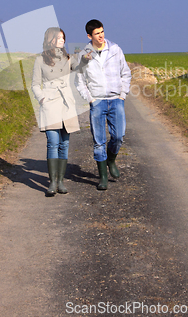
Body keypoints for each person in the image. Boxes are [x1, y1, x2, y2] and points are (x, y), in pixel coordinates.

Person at [75, 19, 131, 190]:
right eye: (97, 34)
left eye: (102, 32)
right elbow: (79, 80)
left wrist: (122, 95)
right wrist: (90, 99)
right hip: (97, 102)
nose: (101, 36)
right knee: (99, 141)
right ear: (89, 36)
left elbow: (125, 73)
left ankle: (111, 160)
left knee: (118, 136)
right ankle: (103, 178)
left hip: (116, 100)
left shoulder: (115, 49)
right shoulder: (84, 54)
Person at [32, 27, 83, 196]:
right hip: (50, 103)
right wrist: (42, 99)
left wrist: (85, 58)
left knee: (64, 143)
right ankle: (52, 182)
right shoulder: (40, 60)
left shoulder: (68, 58)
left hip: (66, 104)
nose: (62, 40)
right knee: (52, 141)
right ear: (50, 40)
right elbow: (34, 84)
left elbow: (80, 68)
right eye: (59, 38)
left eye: (63, 38)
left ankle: (61, 181)